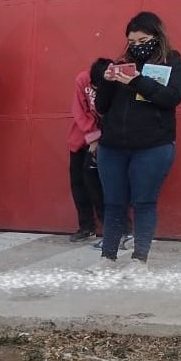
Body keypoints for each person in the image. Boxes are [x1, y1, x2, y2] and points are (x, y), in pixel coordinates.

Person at [94, 11, 181, 271]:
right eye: (132, 41)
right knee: (113, 203)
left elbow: (171, 98)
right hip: (113, 146)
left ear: (157, 37)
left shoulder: (173, 63)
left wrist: (138, 81)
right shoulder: (122, 64)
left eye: (143, 40)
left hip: (153, 146)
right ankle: (107, 257)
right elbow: (101, 107)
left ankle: (139, 259)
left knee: (144, 201)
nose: (137, 46)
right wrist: (107, 82)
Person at [68, 58, 109, 242]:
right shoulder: (83, 79)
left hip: (106, 140)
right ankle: (86, 226)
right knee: (78, 182)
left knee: (100, 185)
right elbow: (79, 111)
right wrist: (93, 136)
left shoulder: (116, 83)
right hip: (81, 138)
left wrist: (99, 139)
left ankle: (112, 228)